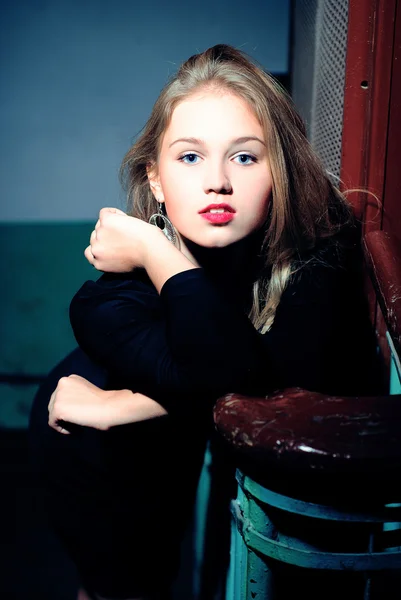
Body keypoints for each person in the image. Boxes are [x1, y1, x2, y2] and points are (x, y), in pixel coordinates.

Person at [28, 44, 381, 600]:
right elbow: (236, 367)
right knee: (123, 587)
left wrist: (130, 402)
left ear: (279, 170)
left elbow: (257, 366)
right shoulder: (108, 300)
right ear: (156, 180)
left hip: (135, 428)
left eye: (245, 157)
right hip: (92, 457)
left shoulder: (321, 252)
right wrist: (153, 251)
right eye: (189, 157)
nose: (217, 181)